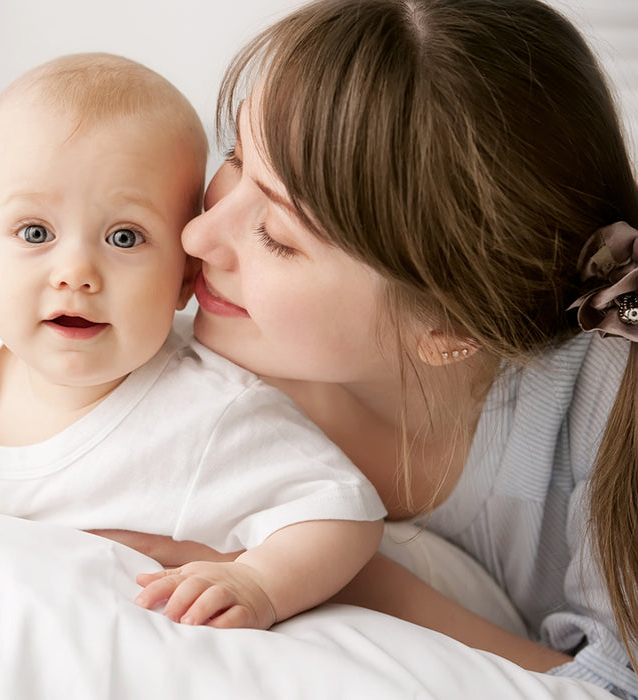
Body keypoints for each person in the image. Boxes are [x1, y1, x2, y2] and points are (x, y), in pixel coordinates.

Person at [93, 0, 638, 696]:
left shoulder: (608, 403)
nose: (196, 237)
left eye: (278, 237)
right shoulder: (193, 369)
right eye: (234, 157)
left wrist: (325, 572)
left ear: (447, 329)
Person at [0, 52, 386, 630]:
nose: (75, 272)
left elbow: (339, 511)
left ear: (184, 278)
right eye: (35, 232)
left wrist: (259, 583)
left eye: (124, 238)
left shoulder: (210, 411)